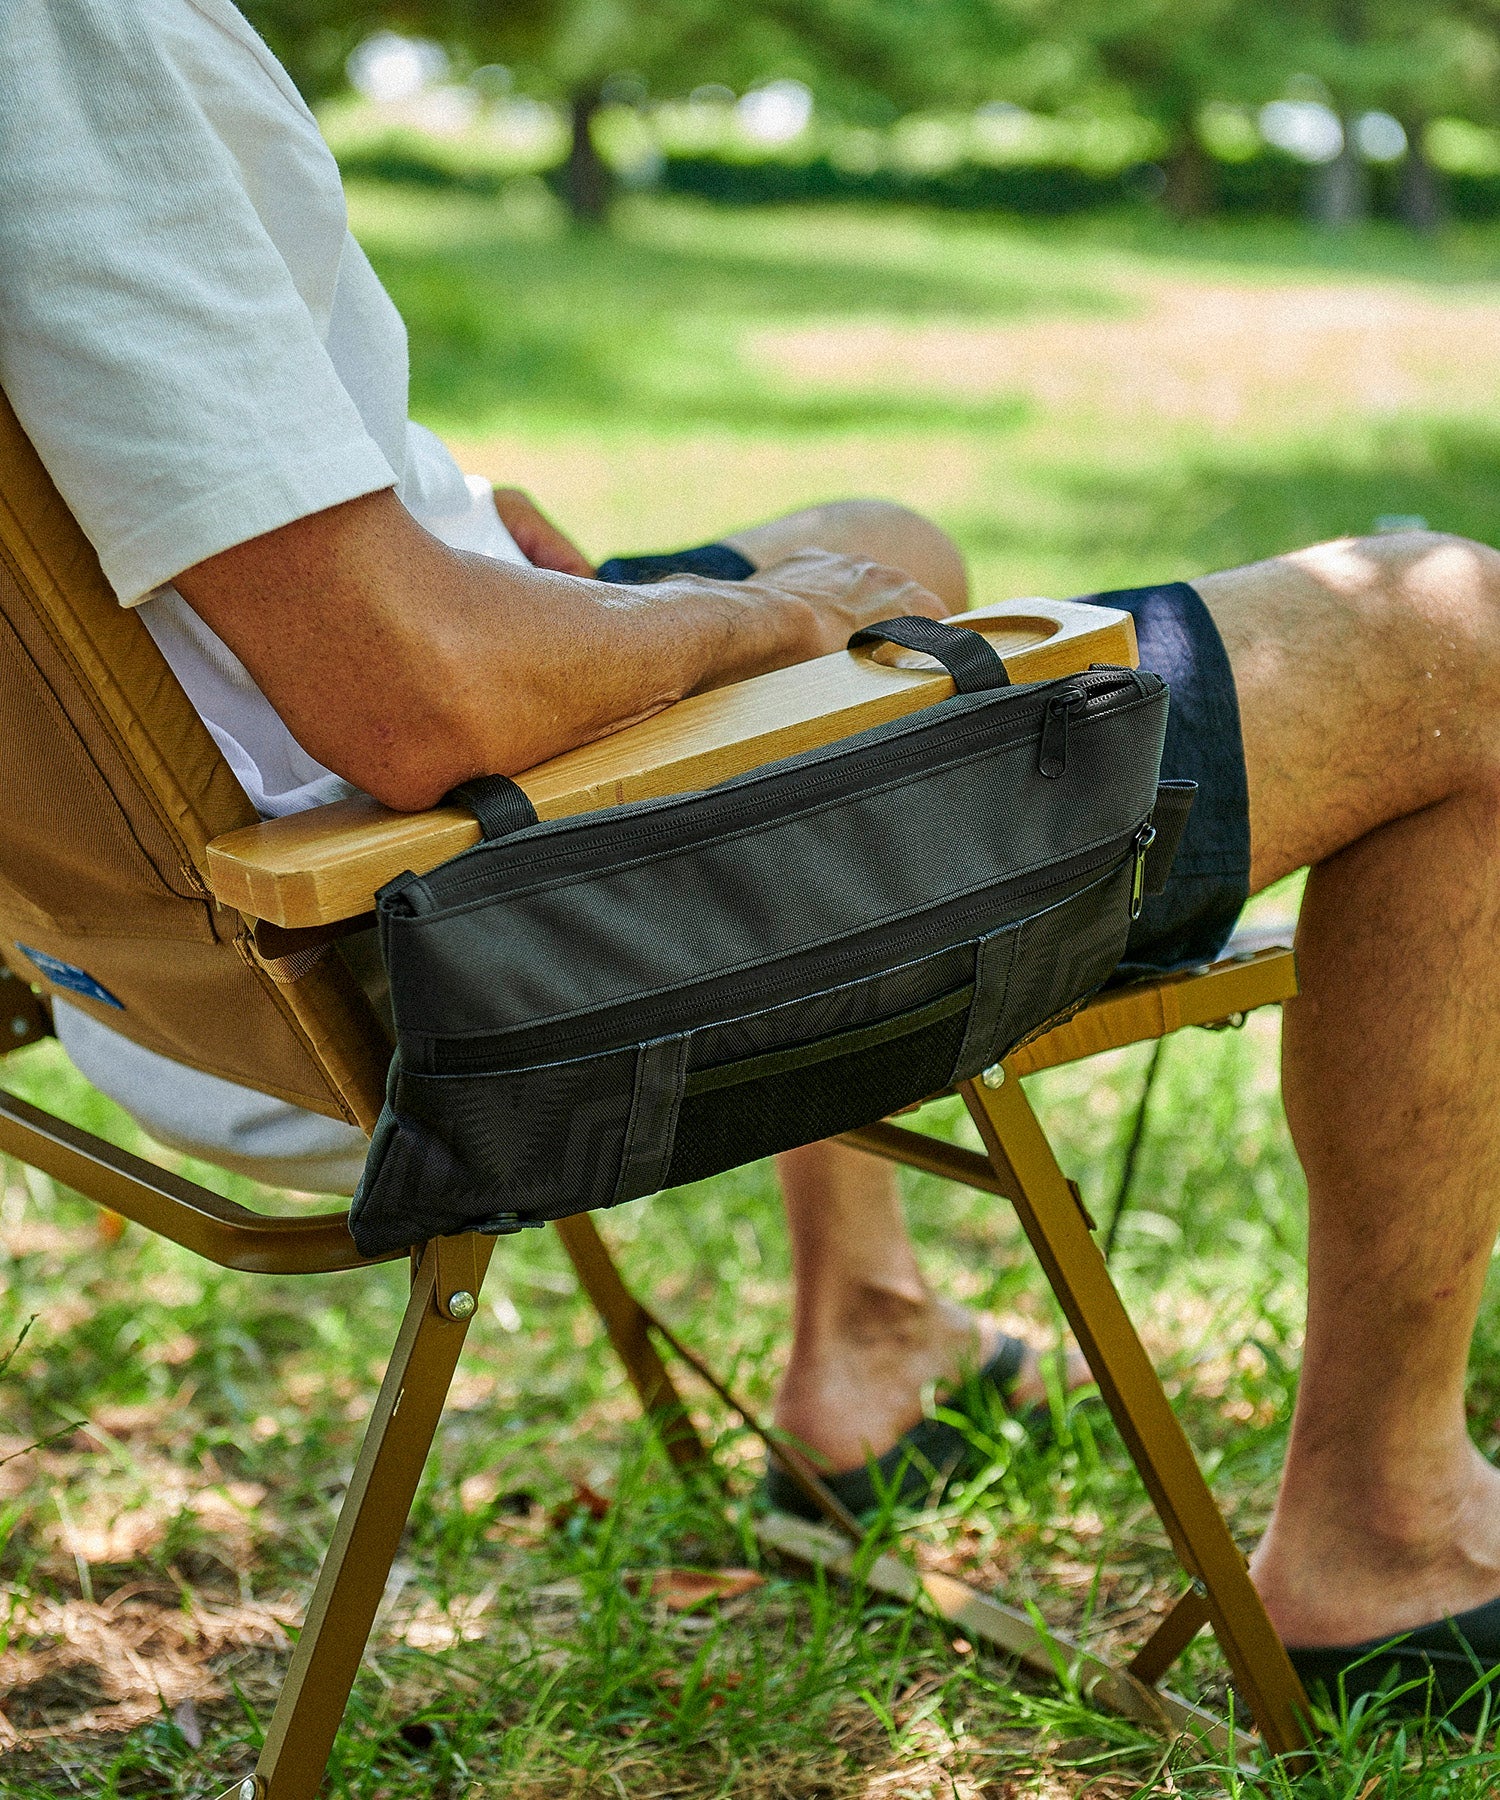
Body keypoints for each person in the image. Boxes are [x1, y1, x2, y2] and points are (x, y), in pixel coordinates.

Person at [6, 0, 1500, 1713]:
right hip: (443, 950)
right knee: (1456, 642)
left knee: (886, 546)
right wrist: (749, 624)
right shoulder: (69, 36)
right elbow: (414, 697)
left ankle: (868, 1336)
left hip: (155, 962)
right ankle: (1390, 1537)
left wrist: (436, 528)